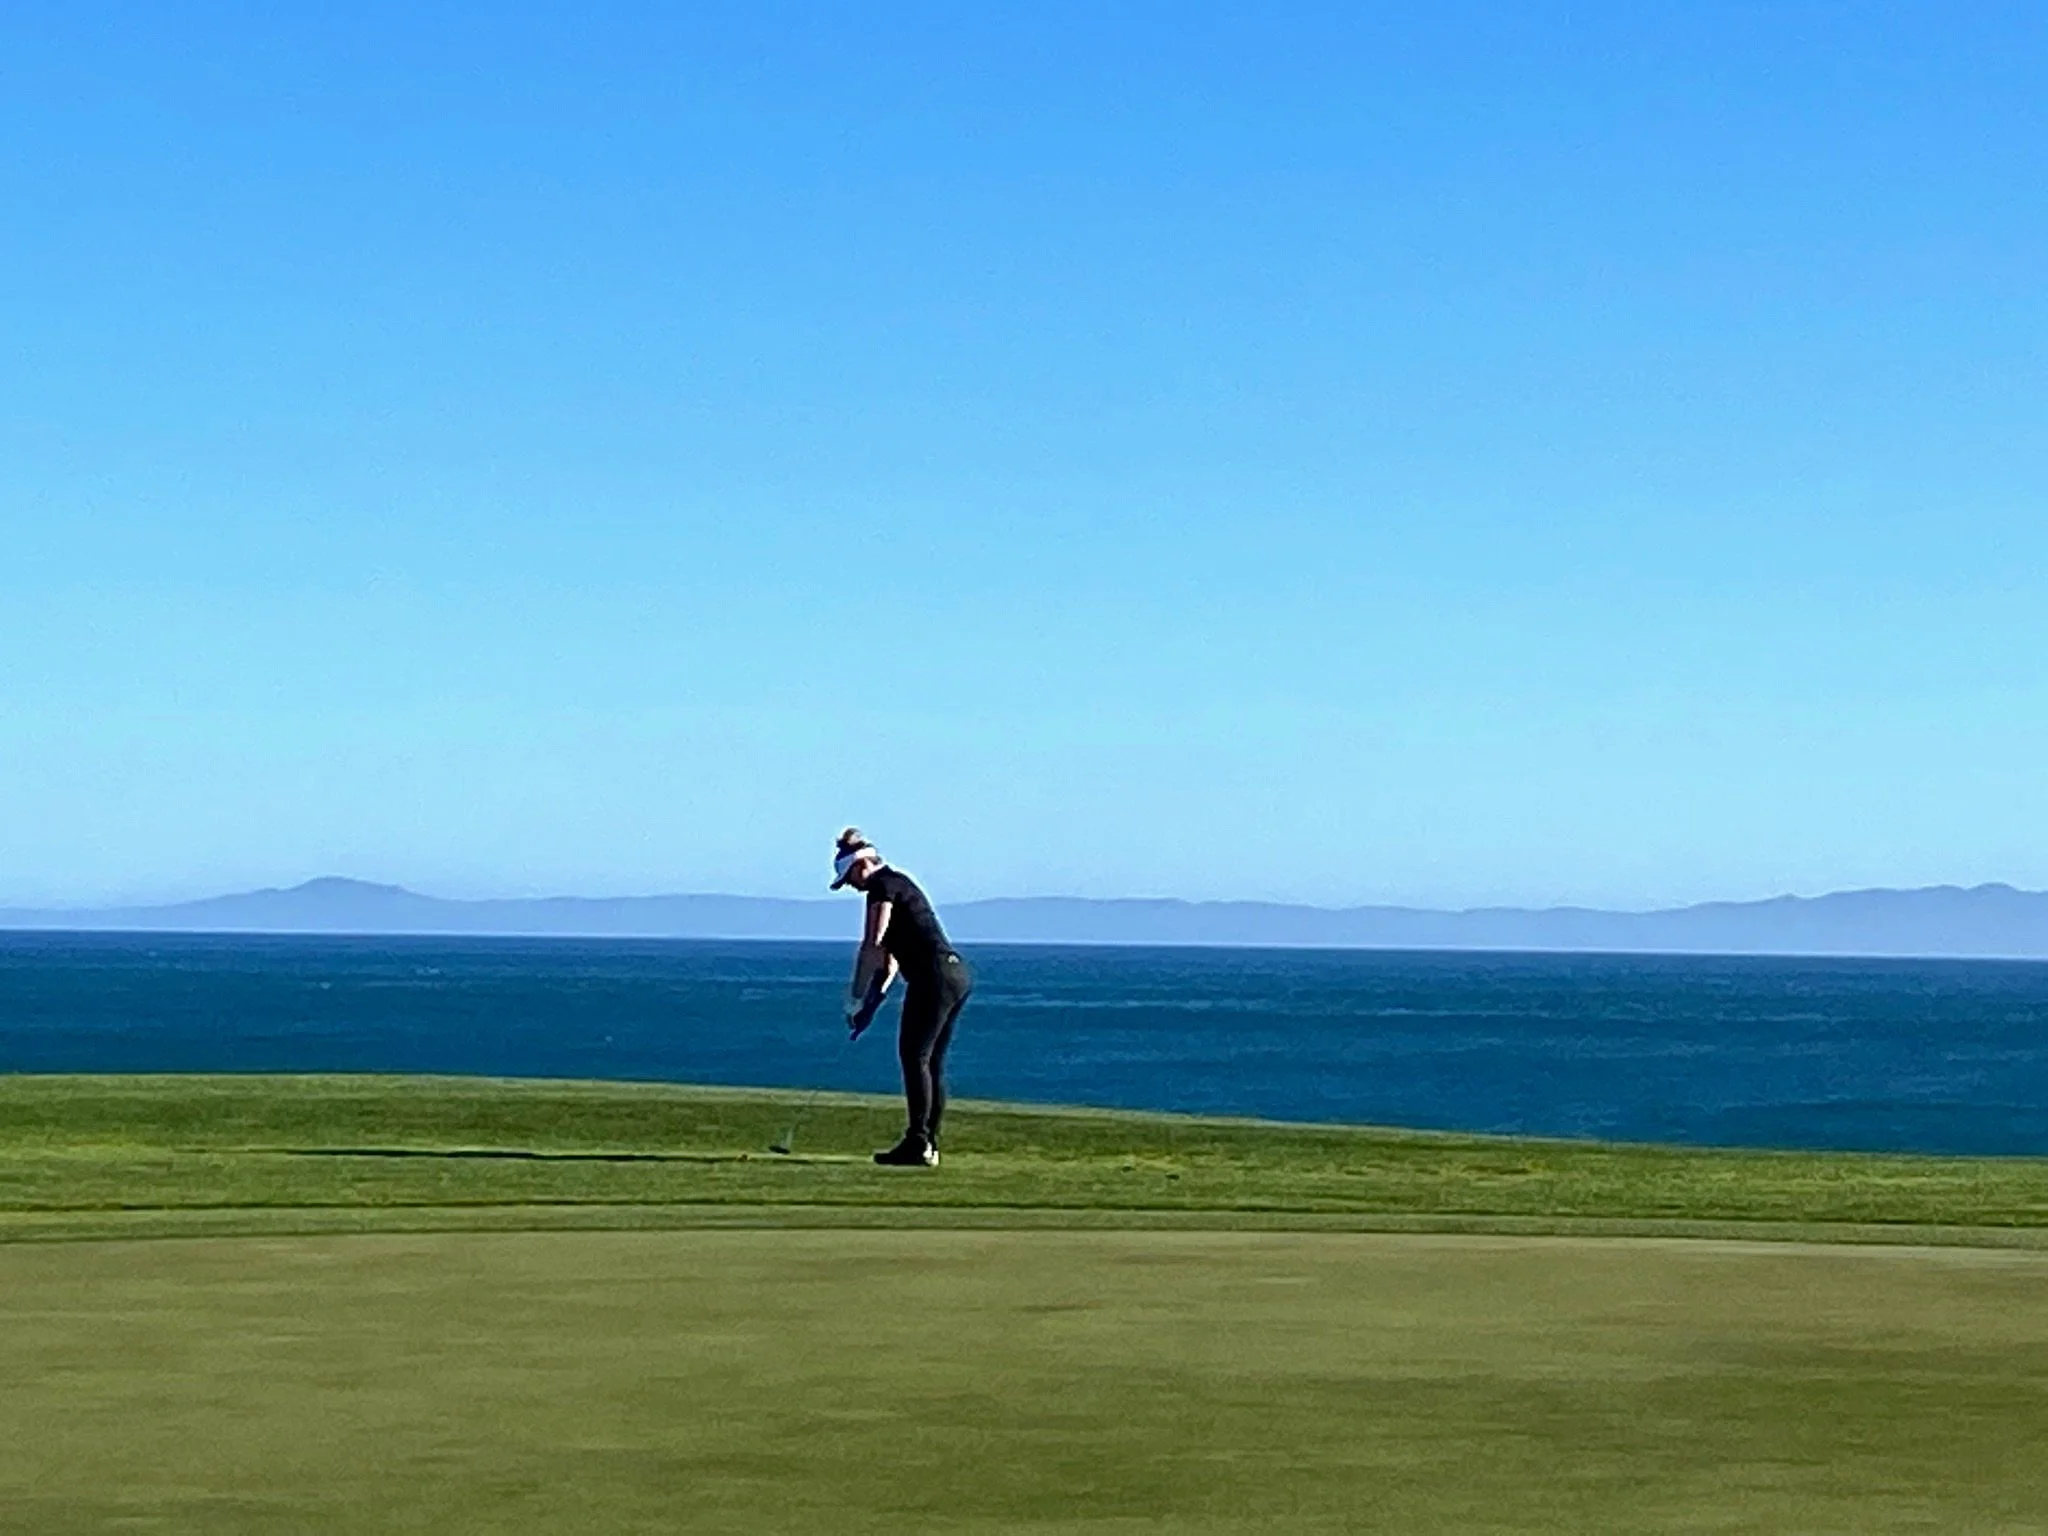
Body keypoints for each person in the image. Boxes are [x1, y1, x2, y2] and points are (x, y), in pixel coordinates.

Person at [830, 827, 972, 1167]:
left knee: (916, 1058)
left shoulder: (882, 886)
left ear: (860, 866)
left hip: (934, 978)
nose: (850, 885)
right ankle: (928, 1145)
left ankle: (918, 1143)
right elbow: (889, 964)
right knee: (929, 1062)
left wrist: (853, 996)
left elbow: (872, 945)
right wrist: (869, 1007)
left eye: (848, 877)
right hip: (954, 975)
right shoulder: (899, 883)